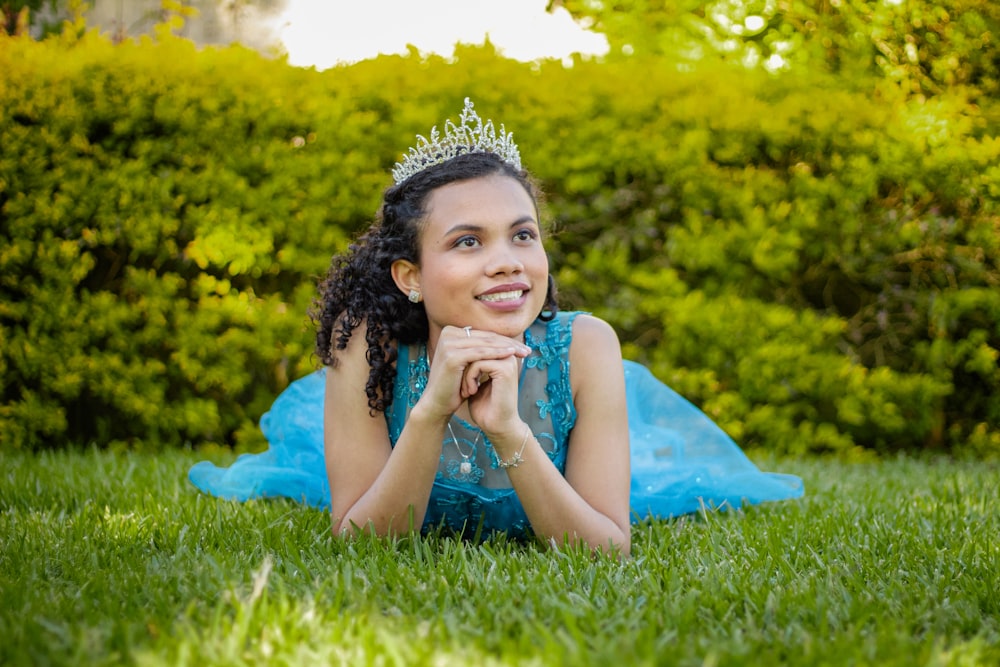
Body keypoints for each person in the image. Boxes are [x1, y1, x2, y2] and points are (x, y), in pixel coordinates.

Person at [189, 99, 803, 555]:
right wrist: (429, 411)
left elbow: (606, 547)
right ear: (410, 276)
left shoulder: (587, 348)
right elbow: (361, 541)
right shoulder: (365, 345)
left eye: (522, 234)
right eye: (467, 241)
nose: (507, 259)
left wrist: (509, 430)